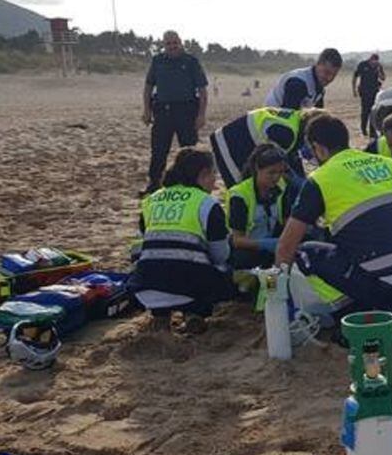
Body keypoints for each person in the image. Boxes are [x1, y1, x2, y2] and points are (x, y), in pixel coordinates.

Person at [275, 115, 392, 336]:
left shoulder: (321, 178)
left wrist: (276, 292)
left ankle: (352, 315)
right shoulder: (388, 164)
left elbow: (286, 246)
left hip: (387, 283)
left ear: (318, 148)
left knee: (305, 253)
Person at [129, 148, 234, 335]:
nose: (215, 182)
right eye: (213, 175)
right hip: (189, 284)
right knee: (225, 270)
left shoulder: (151, 200)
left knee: (163, 267)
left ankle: (160, 316)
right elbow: (221, 255)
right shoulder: (207, 204)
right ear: (203, 174)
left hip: (146, 285)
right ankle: (195, 313)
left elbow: (137, 250)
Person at [142, 30, 209, 195]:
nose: (172, 46)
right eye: (168, 43)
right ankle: (154, 184)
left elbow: (202, 90)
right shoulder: (158, 61)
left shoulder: (191, 61)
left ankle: (193, 185)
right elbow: (149, 87)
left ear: (181, 43)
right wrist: (146, 110)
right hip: (162, 111)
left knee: (190, 151)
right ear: (163, 45)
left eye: (175, 43)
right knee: (158, 150)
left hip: (186, 111)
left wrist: (201, 115)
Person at [225, 143, 303, 269]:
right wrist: (264, 244)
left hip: (272, 243)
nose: (277, 177)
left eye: (280, 172)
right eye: (271, 173)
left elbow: (287, 220)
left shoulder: (281, 187)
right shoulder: (240, 196)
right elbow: (237, 240)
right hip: (247, 249)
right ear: (257, 169)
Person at [209, 107, 326, 184]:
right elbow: (277, 164)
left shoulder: (296, 118)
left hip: (238, 137)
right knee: (240, 186)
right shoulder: (288, 135)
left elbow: (292, 159)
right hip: (229, 144)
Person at [264, 48, 343, 110]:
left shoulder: (320, 89)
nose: (329, 78)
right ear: (318, 64)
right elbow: (288, 117)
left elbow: (319, 118)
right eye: (327, 72)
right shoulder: (297, 83)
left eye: (334, 75)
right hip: (271, 121)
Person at [353, 54, 386, 137]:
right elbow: (355, 77)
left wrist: (378, 71)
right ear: (370, 60)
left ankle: (372, 131)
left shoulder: (378, 66)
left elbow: (383, 78)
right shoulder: (362, 65)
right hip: (364, 92)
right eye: (373, 62)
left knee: (373, 111)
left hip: (375, 91)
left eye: (376, 62)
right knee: (365, 111)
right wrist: (354, 90)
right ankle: (363, 129)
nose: (374, 64)